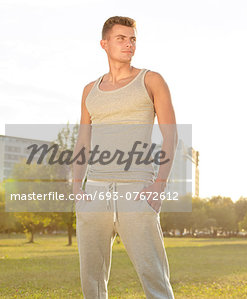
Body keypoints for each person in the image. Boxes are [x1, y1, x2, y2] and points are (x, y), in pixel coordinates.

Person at [72, 16, 177, 299]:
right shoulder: (89, 91)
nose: (128, 45)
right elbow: (83, 140)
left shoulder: (151, 80)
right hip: (94, 191)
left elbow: (170, 136)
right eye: (121, 38)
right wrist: (76, 190)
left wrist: (160, 184)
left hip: (137, 191)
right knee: (91, 283)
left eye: (132, 39)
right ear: (104, 44)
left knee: (154, 278)